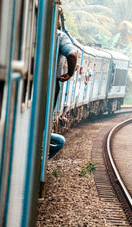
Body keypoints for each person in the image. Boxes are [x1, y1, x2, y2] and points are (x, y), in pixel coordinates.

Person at [48, 13, 77, 159]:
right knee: (59, 140)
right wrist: (70, 73)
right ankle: (43, 163)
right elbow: (72, 55)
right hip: (49, 90)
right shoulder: (60, 36)